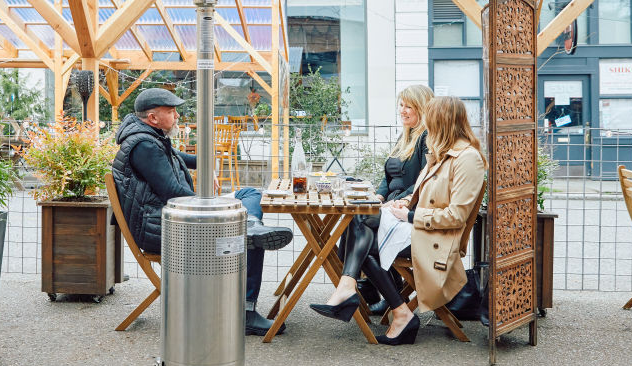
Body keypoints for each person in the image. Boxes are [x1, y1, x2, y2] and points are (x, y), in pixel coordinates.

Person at [112, 88, 294, 336]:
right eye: (171, 111)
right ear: (153, 117)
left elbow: (181, 157)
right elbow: (174, 193)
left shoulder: (149, 137)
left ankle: (251, 225)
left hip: (176, 218)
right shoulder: (145, 146)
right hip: (166, 229)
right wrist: (214, 204)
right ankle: (246, 312)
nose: (177, 116)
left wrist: (208, 164)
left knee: (249, 194)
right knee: (243, 238)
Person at [310, 96, 485, 345]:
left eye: (430, 121)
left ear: (442, 123)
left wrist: (411, 215)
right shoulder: (440, 153)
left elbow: (456, 217)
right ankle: (389, 306)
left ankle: (359, 293)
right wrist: (402, 203)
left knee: (361, 235)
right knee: (360, 223)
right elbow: (421, 195)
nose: (426, 127)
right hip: (420, 229)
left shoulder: (468, 158)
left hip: (437, 240)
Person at [341, 85, 433, 314]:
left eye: (409, 106)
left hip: (405, 208)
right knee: (352, 221)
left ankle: (368, 287)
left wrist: (395, 201)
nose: (402, 110)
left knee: (358, 225)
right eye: (401, 105)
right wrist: (379, 196)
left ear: (422, 108)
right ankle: (366, 286)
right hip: (390, 203)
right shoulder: (406, 135)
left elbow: (423, 182)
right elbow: (388, 176)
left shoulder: (426, 138)